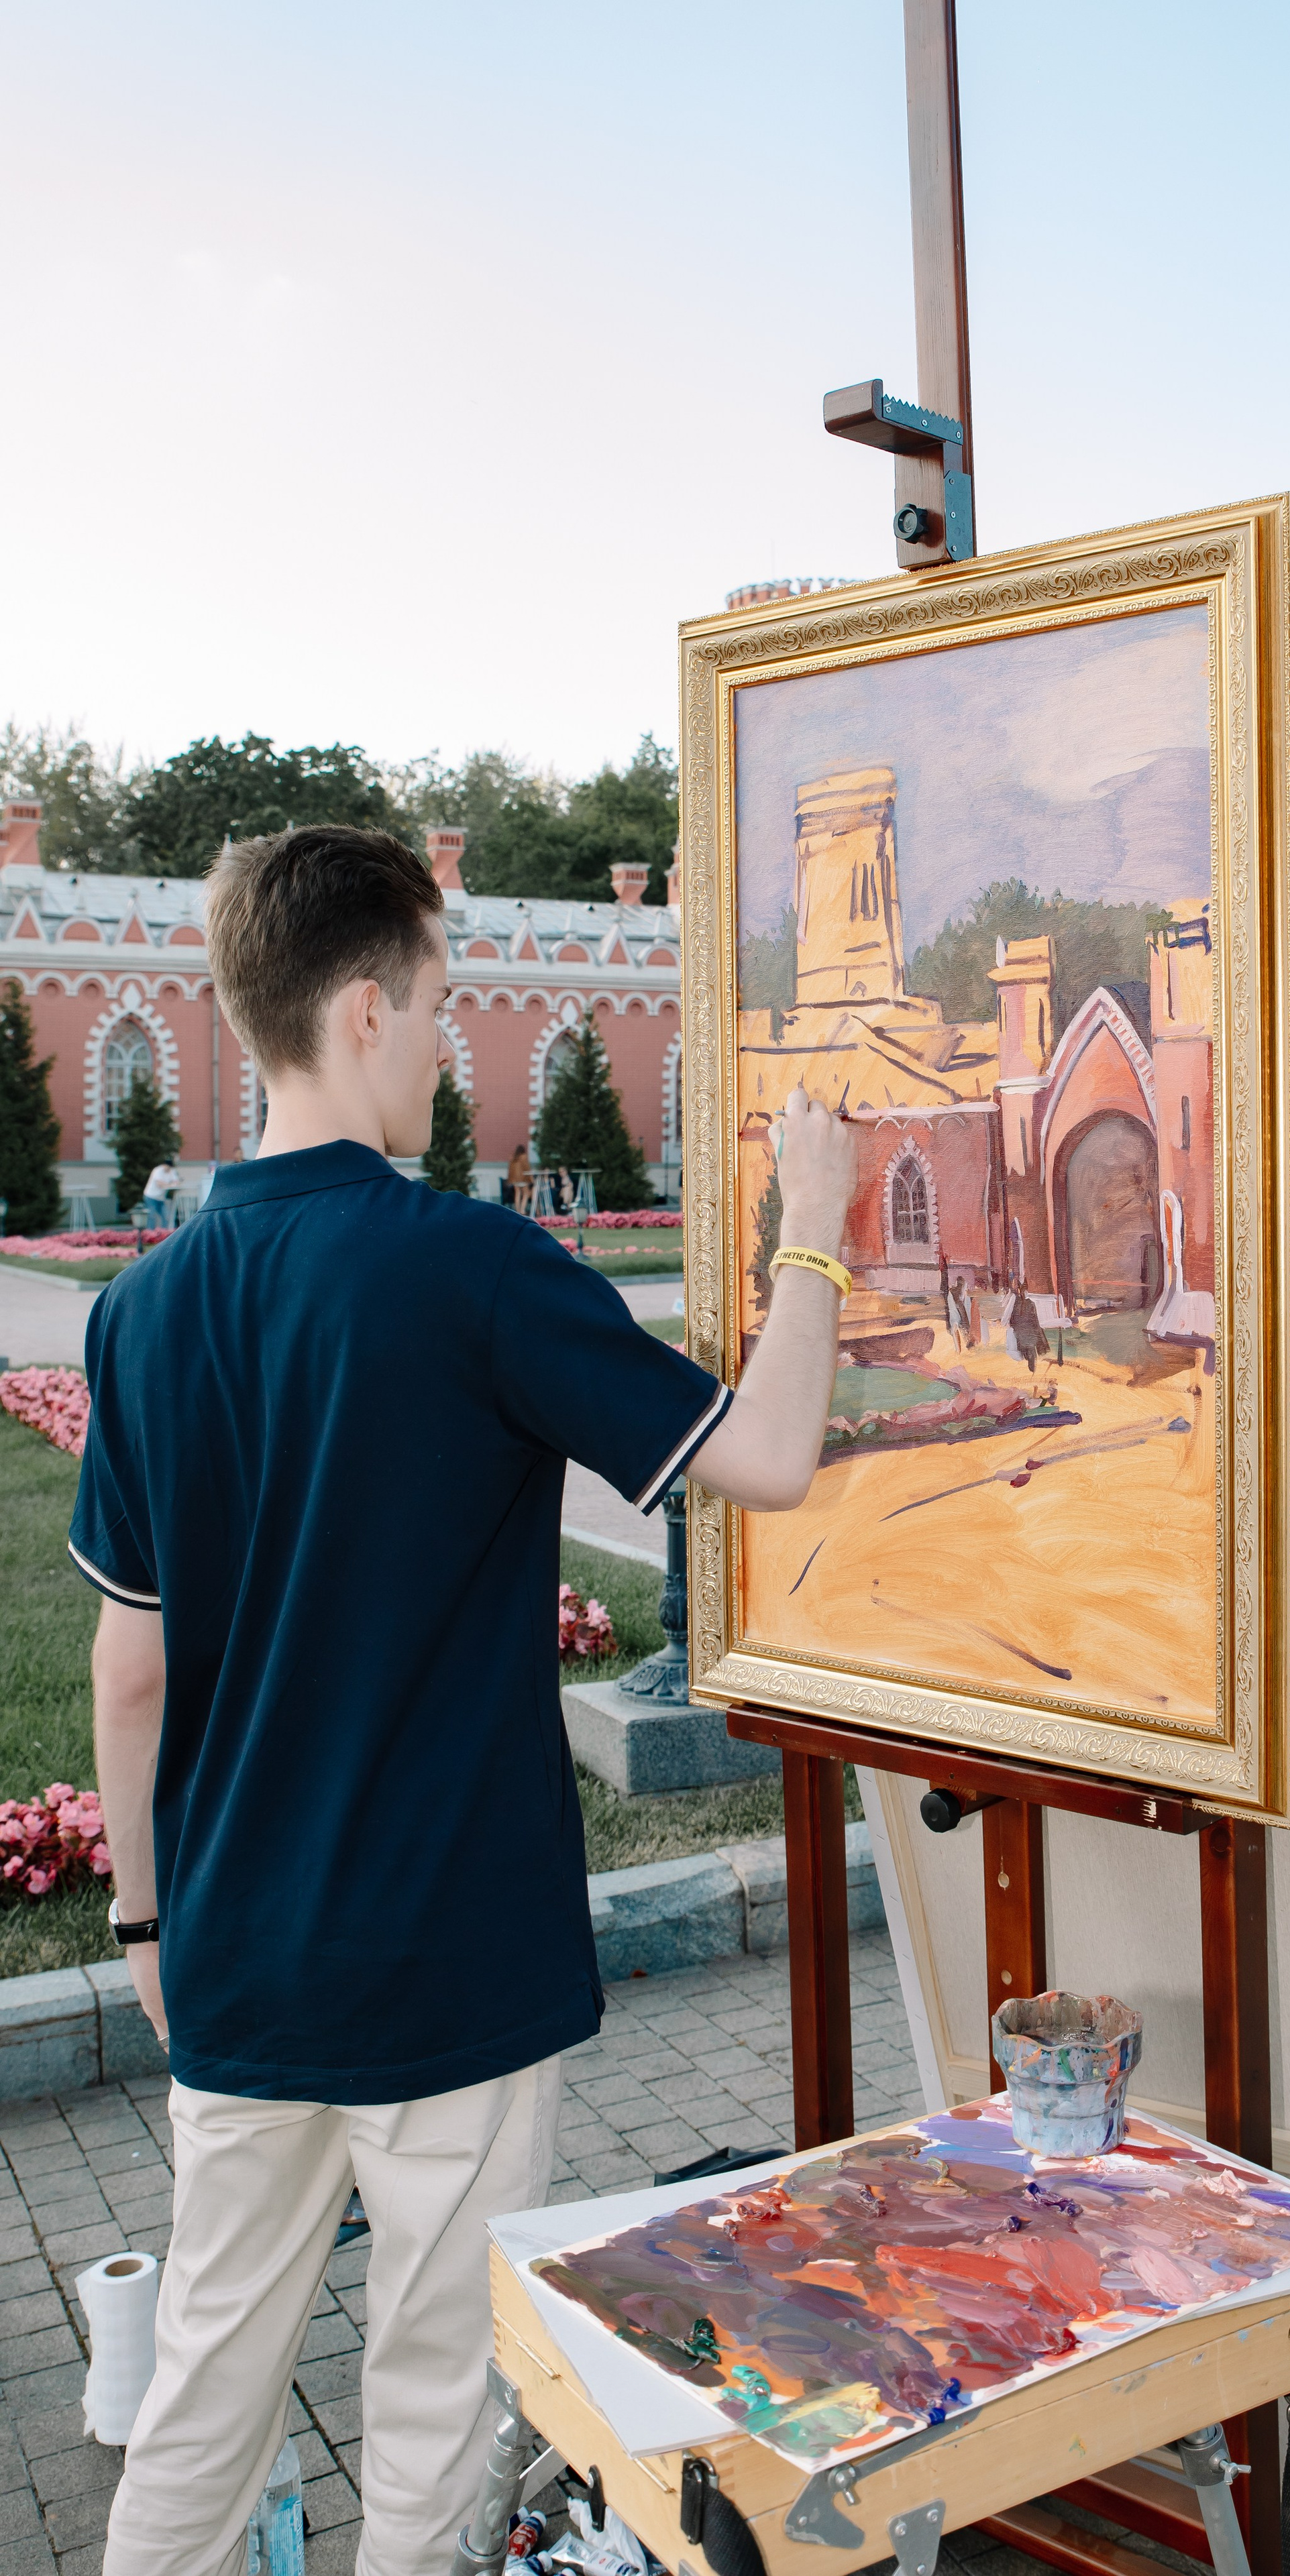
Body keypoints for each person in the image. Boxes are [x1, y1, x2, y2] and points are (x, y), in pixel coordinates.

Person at [73, 825, 856, 2576]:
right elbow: (780, 1453)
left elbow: (133, 1672)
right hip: (452, 1958)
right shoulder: (468, 1266)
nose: (445, 1047)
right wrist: (812, 1232)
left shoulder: (138, 1315)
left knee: (204, 2396)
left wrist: (142, 1913)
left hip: (240, 1956)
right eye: (434, 1009)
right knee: (432, 2411)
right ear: (363, 1010)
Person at [142, 1158, 180, 1228]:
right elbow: (159, 1183)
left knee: (165, 1216)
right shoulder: (158, 1170)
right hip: (151, 1196)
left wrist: (175, 1183)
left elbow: (176, 1181)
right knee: (152, 1216)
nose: (168, 1169)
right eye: (167, 1167)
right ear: (164, 1165)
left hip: (161, 1198)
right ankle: (150, 1234)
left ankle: (164, 1233)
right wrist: (170, 1185)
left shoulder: (172, 1171)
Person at [506, 1141, 531, 1213]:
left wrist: (510, 1179)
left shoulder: (513, 1158)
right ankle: (523, 1209)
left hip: (515, 1179)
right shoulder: (524, 1157)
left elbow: (510, 1170)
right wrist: (530, 1178)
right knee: (526, 1194)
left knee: (517, 1194)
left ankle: (518, 1210)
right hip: (523, 1178)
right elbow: (527, 1168)